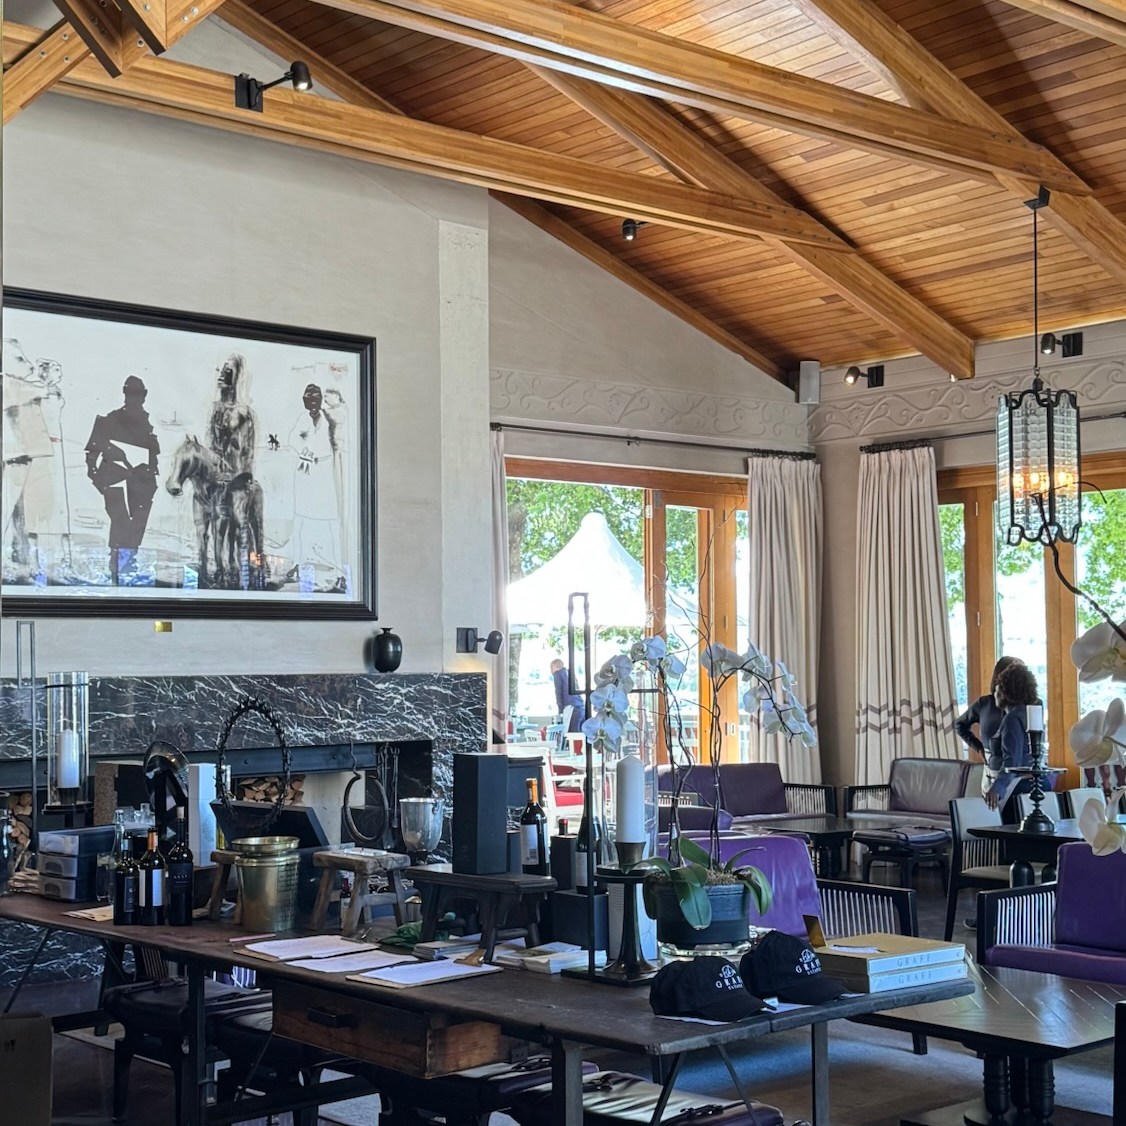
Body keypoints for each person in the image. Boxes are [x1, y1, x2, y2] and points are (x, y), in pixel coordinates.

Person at [84, 375, 160, 582]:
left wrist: (150, 475)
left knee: (138, 521)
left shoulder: (147, 422)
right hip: (115, 479)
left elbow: (153, 455)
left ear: (144, 395)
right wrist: (96, 475)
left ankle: (129, 561)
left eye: (138, 394)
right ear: (124, 394)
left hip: (142, 480)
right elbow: (93, 450)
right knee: (120, 521)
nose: (135, 398)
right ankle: (117, 564)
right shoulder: (111, 419)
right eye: (131, 393)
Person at [955, 656, 1025, 794]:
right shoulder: (984, 704)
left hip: (1020, 776)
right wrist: (978, 746)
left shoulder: (1029, 705)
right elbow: (959, 724)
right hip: (991, 774)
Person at [986, 662, 1042, 817]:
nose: (994, 692)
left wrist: (997, 787)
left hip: (1019, 787)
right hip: (1037, 784)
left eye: (997, 687)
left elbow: (1013, 761)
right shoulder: (1030, 714)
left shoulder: (1012, 719)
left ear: (1005, 691)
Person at [550, 658, 585, 732]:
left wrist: (561, 713)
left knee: (572, 734)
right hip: (581, 707)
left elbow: (558, 694)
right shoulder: (570, 673)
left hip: (571, 709)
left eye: (551, 668)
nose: (551, 671)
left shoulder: (558, 674)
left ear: (557, 667)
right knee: (581, 734)